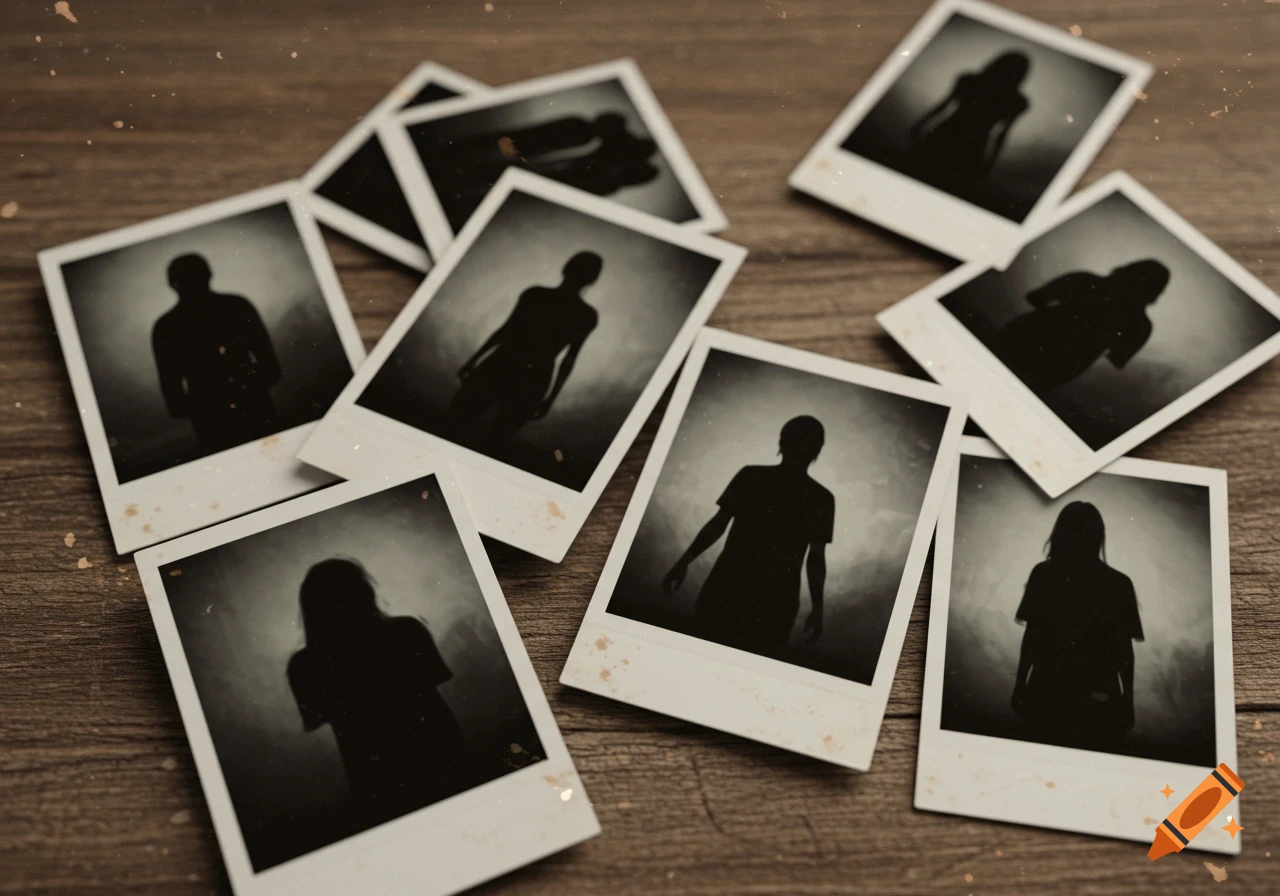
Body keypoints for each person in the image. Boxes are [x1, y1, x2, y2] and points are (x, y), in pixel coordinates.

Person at [286, 559, 469, 820]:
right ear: (363, 591)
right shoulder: (407, 631)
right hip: (441, 757)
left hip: (375, 779)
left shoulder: (304, 666)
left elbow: (322, 716)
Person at [661, 416, 835, 656]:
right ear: (817, 449)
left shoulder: (751, 476)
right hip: (776, 601)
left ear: (782, 442)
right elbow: (815, 559)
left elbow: (718, 524)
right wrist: (817, 608)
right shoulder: (821, 499)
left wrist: (684, 562)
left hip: (728, 587)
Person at [1010, 502, 1144, 751]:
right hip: (1099, 694)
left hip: (1047, 689)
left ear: (1060, 533)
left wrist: (1020, 685)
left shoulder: (1043, 575)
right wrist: (1127, 700)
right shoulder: (1118, 584)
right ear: (1098, 535)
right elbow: (1124, 651)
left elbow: (1033, 637)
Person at [449, 251, 601, 445]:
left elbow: (505, 332)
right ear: (593, 279)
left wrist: (473, 361)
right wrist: (551, 397)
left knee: (458, 421)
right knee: (496, 438)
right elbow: (569, 359)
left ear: (566, 268)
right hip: (535, 376)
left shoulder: (536, 294)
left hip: (502, 362)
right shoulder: (586, 315)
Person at [151, 253, 282, 454]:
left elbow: (174, 400)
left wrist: (207, 407)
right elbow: (271, 368)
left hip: (215, 422)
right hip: (251, 411)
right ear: (208, 274)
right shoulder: (237, 306)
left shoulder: (165, 328)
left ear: (171, 283)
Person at [436, 112, 660, 226]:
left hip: (532, 171)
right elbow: (538, 139)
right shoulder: (584, 135)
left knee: (483, 188)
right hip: (525, 163)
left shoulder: (603, 173)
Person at [990, 259, 1170, 394]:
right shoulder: (1140, 327)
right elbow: (1116, 359)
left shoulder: (1084, 279)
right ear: (1154, 293)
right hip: (1053, 369)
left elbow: (1037, 298)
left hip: (1019, 339)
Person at [907, 51, 1031, 188]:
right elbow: (1001, 134)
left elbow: (943, 106)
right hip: (973, 147)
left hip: (946, 134)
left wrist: (919, 125)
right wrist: (990, 162)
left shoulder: (969, 80)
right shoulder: (1017, 101)